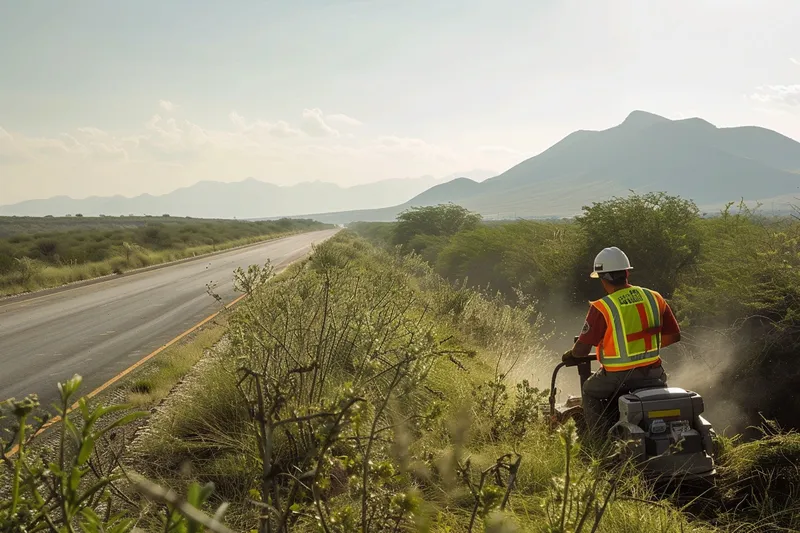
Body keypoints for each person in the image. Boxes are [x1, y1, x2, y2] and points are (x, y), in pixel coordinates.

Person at [562, 246, 682, 437]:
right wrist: (644, 350)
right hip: (654, 373)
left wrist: (570, 355)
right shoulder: (654, 297)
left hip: (617, 378)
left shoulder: (603, 307)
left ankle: (598, 442)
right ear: (626, 273)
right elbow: (674, 336)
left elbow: (581, 351)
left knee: (590, 390)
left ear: (603, 279)